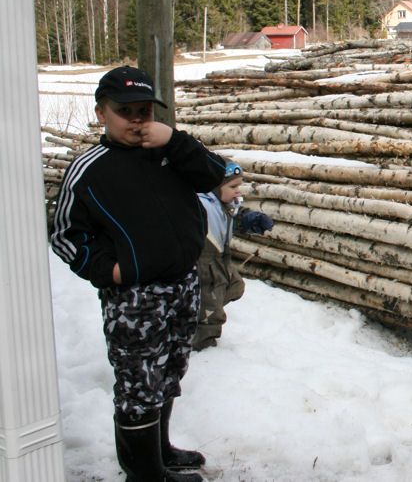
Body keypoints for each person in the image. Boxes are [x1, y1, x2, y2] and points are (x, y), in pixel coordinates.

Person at [50, 66, 226, 482]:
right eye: (125, 111)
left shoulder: (168, 151)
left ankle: (159, 453)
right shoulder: (90, 169)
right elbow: (63, 234)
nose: (136, 120)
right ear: (101, 113)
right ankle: (143, 475)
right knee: (138, 385)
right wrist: (111, 271)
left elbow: (215, 175)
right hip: (135, 296)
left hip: (182, 282)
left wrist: (177, 140)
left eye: (144, 111)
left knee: (169, 371)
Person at [193, 161, 273, 351]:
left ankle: (197, 313)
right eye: (233, 186)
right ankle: (202, 345)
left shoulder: (226, 204)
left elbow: (234, 217)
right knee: (210, 308)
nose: (238, 191)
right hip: (204, 262)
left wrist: (251, 220)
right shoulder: (201, 205)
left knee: (235, 286)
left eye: (239, 185)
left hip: (220, 259)